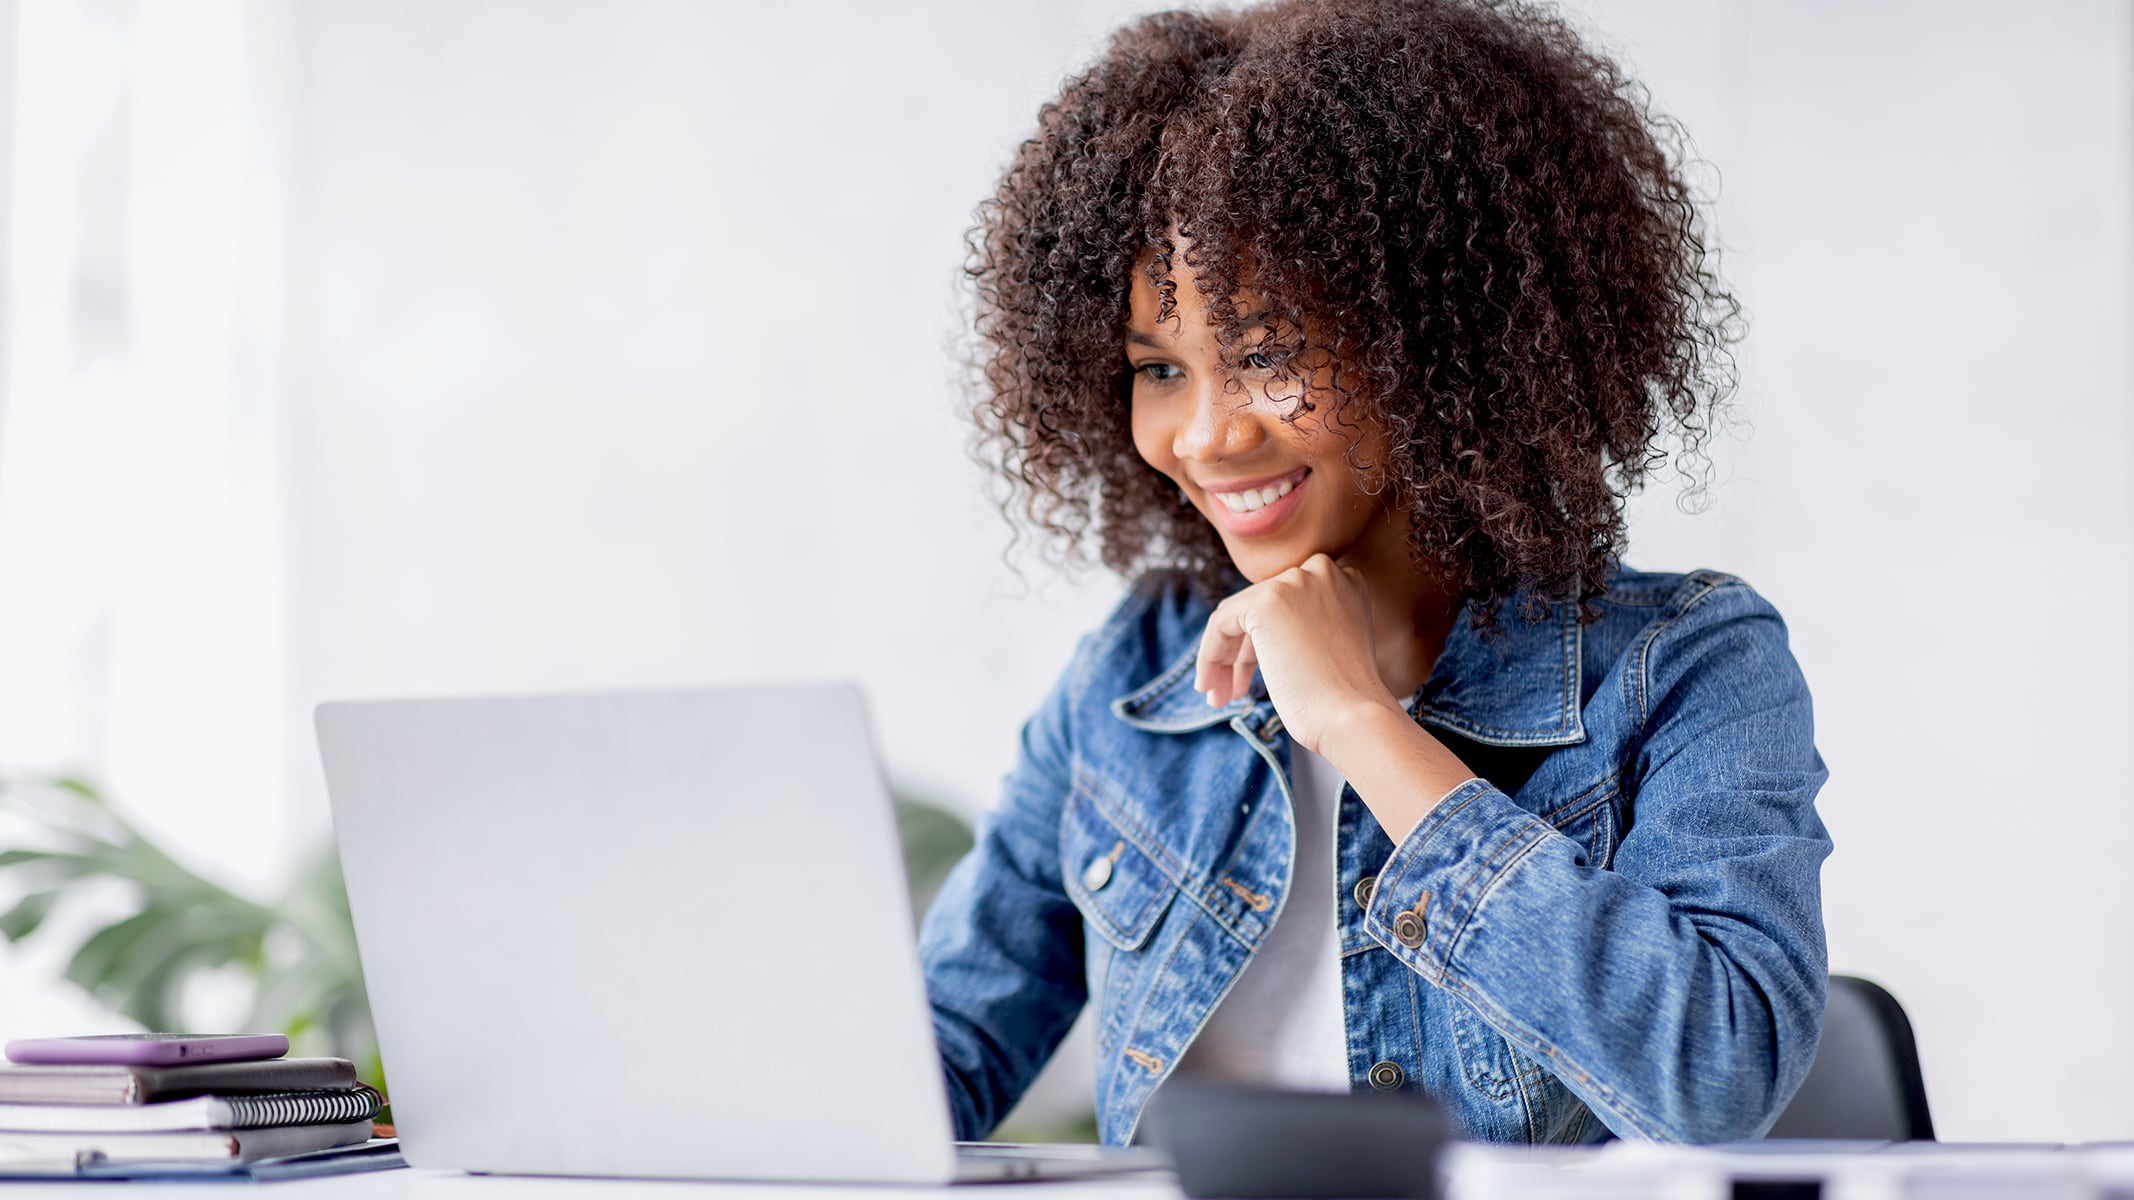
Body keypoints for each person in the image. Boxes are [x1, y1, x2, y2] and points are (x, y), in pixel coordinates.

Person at [920, 0, 1831, 1147]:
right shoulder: (1136, 671)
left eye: (1266, 355)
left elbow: (1712, 1076)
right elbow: (931, 1064)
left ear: (1440, 341)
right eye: (1158, 368)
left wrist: (1358, 723)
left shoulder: (1682, 665)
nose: (1204, 435)